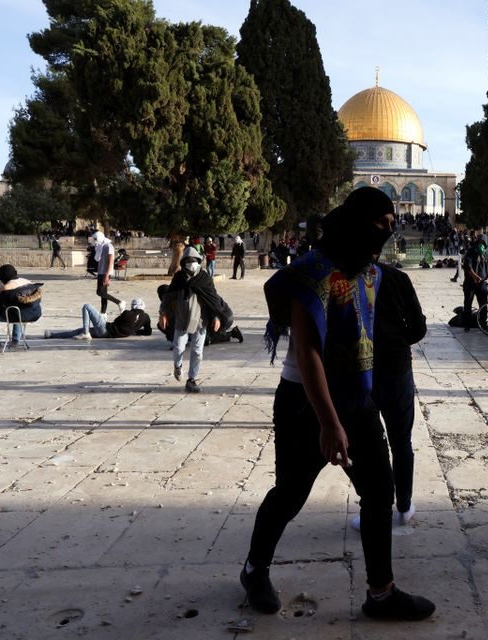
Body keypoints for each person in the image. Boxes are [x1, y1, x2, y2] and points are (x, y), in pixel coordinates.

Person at [242, 186, 435, 621]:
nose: (388, 231)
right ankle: (255, 569)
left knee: (379, 490)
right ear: (358, 222)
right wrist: (329, 423)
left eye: (391, 224)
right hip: (306, 402)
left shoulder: (370, 272)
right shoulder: (310, 273)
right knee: (291, 492)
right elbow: (308, 351)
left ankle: (381, 593)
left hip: (356, 397)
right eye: (381, 224)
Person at [351, 261, 427, 531]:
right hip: (396, 370)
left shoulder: (347, 280)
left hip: (362, 371)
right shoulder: (398, 279)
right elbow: (419, 328)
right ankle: (404, 507)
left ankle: (374, 510)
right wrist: (395, 340)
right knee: (401, 442)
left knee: (367, 445)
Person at [158, 246, 230, 392]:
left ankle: (192, 379)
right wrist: (163, 313)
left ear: (198, 261)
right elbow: (168, 296)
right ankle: (177, 366)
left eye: (194, 260)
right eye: (188, 260)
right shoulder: (179, 277)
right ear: (184, 262)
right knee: (178, 347)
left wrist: (216, 317)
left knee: (197, 351)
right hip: (182, 319)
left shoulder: (204, 278)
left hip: (200, 320)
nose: (191, 263)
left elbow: (213, 299)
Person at [0, 265, 43, 351]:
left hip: (20, 315)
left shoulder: (7, 287)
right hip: (35, 313)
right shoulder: (27, 281)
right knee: (16, 310)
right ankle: (15, 341)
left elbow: (1, 306)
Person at [44, 298, 152, 340]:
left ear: (133, 306)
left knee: (87, 306)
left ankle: (86, 333)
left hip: (106, 329)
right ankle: (52, 335)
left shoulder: (127, 313)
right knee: (77, 331)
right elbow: (148, 332)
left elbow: (116, 322)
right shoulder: (146, 317)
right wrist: (134, 330)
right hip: (110, 334)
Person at [461, 234, 488, 332]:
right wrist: (474, 276)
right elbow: (467, 266)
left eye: (483, 243)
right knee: (468, 303)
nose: (481, 244)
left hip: (482, 283)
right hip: (470, 282)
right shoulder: (471, 251)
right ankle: (467, 325)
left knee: (483, 304)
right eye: (479, 242)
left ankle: (483, 324)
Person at [90, 231, 124, 314]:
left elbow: (111, 261)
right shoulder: (101, 246)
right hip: (101, 272)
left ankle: (119, 302)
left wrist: (107, 275)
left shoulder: (109, 246)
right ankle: (103, 313)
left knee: (100, 292)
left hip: (105, 273)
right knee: (103, 294)